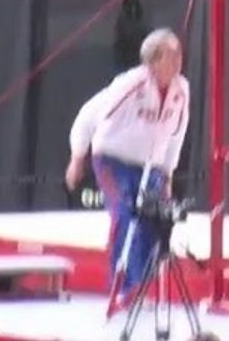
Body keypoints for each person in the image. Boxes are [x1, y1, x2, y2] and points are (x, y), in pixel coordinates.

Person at [64, 28, 190, 298]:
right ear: (154, 59)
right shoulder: (130, 83)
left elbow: (176, 134)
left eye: (180, 52)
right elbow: (90, 113)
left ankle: (141, 286)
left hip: (150, 167)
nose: (179, 58)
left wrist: (167, 175)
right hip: (112, 160)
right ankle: (121, 287)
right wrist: (77, 156)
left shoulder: (182, 90)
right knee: (125, 213)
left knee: (153, 221)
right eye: (172, 53)